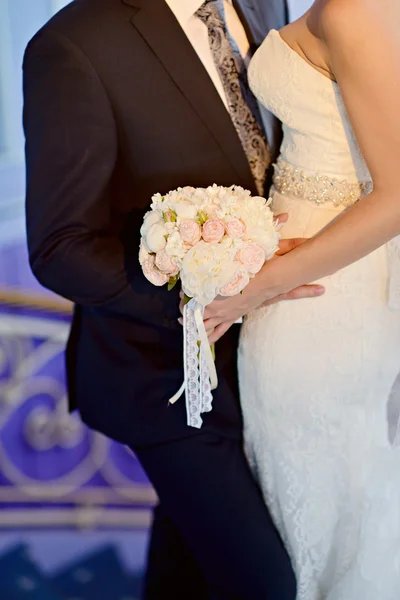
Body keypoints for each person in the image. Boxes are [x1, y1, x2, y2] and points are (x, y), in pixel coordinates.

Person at [23, 1, 323, 598]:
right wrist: (200, 301)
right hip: (166, 372)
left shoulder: (263, 4)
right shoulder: (75, 42)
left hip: (277, 360)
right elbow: (60, 246)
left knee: (188, 563)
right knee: (265, 583)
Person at [202, 0, 400, 597]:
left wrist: (259, 287)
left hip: (318, 295)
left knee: (320, 485)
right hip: (313, 280)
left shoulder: (352, 11)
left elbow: (394, 198)